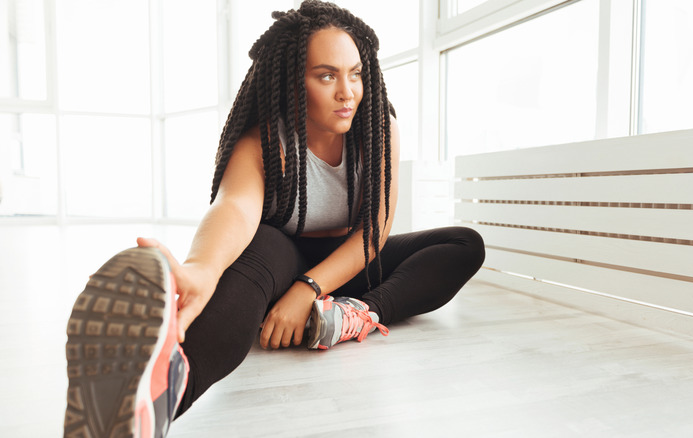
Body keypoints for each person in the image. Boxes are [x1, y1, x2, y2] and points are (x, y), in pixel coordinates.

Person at [63, 1, 485, 437]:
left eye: (355, 73)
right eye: (327, 76)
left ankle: (349, 316)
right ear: (293, 81)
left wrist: (310, 289)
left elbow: (374, 232)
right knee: (251, 264)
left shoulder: (379, 128)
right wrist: (203, 269)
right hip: (278, 256)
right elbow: (233, 206)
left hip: (344, 264)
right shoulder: (266, 142)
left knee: (463, 244)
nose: (347, 92)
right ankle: (152, 402)